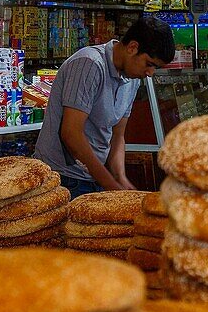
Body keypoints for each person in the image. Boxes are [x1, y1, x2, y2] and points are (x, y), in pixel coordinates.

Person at [35, 16, 175, 198]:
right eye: (149, 64)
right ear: (133, 47)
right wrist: (109, 183)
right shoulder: (89, 64)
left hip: (95, 178)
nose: (150, 73)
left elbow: (118, 136)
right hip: (62, 178)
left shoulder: (131, 78)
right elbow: (71, 133)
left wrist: (121, 178)